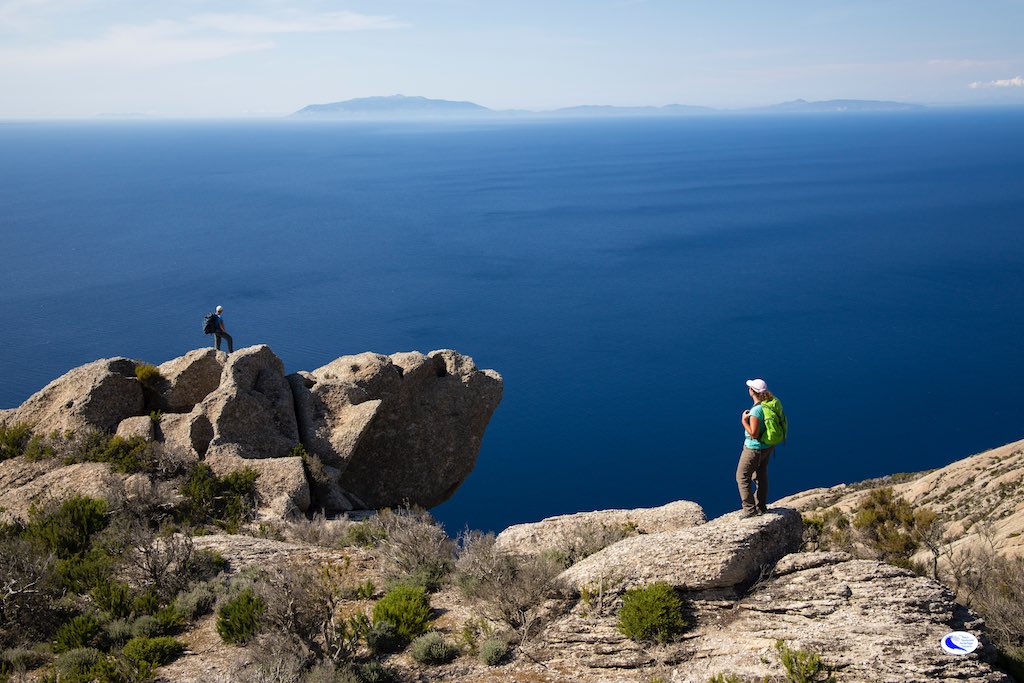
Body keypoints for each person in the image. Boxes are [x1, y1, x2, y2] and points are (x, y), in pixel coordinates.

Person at [737, 378, 775, 518]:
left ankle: (749, 510)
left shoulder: (756, 411)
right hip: (767, 446)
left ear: (752, 391)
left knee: (742, 476)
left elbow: (753, 434)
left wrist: (743, 421)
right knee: (760, 474)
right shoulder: (769, 404)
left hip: (754, 448)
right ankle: (761, 506)